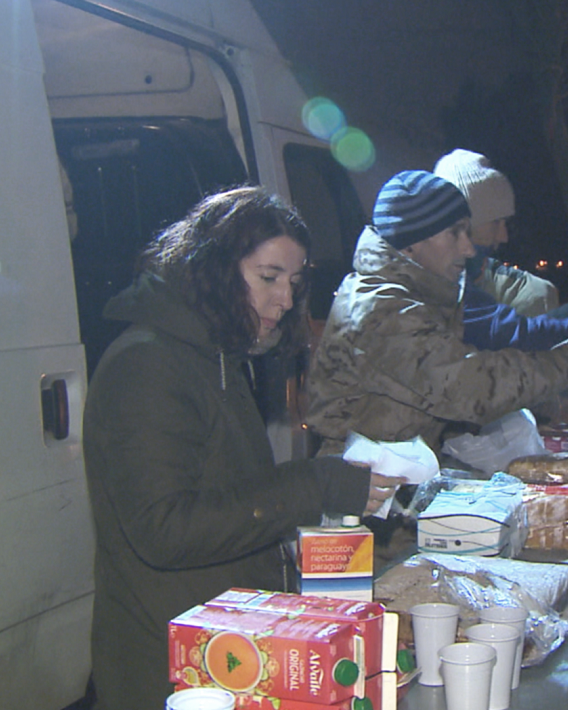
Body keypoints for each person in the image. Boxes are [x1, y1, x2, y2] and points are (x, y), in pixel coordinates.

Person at [82, 187, 402, 710]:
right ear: (211, 267)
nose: (285, 299)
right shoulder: (147, 365)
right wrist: (315, 484)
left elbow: (231, 496)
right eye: (268, 277)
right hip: (170, 671)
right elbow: (164, 530)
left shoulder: (218, 356)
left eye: (294, 283)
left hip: (226, 653)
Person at [305, 170, 568, 456]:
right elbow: (471, 388)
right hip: (358, 494)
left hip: (390, 485)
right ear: (411, 243)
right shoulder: (380, 309)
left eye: (467, 232)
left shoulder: (419, 296)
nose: (468, 249)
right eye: (455, 233)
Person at [433, 148, 560, 315]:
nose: (504, 237)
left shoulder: (529, 294)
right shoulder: (404, 293)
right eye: (495, 222)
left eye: (505, 222)